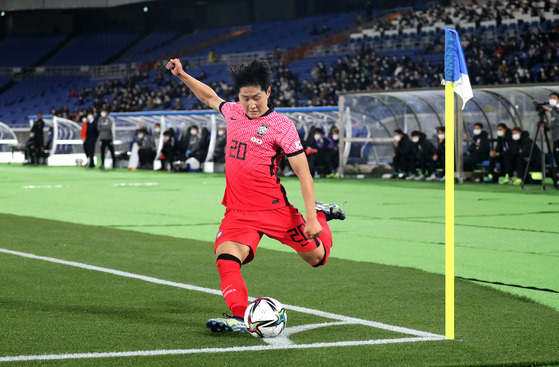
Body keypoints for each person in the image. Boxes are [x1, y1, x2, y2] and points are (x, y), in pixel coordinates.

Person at [166, 57, 346, 333]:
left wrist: (312, 217)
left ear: (269, 92)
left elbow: (303, 173)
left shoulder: (282, 126)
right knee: (226, 259)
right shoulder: (234, 112)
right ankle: (239, 317)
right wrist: (182, 75)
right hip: (238, 212)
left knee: (317, 259)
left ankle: (322, 213)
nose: (251, 104)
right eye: (245, 98)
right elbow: (209, 97)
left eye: (257, 98)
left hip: (274, 210)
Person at [543, 92, 559, 175]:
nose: (552, 99)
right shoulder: (554, 111)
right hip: (555, 138)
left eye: (554, 98)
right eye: (550, 98)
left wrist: (549, 110)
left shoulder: (554, 111)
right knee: (556, 156)